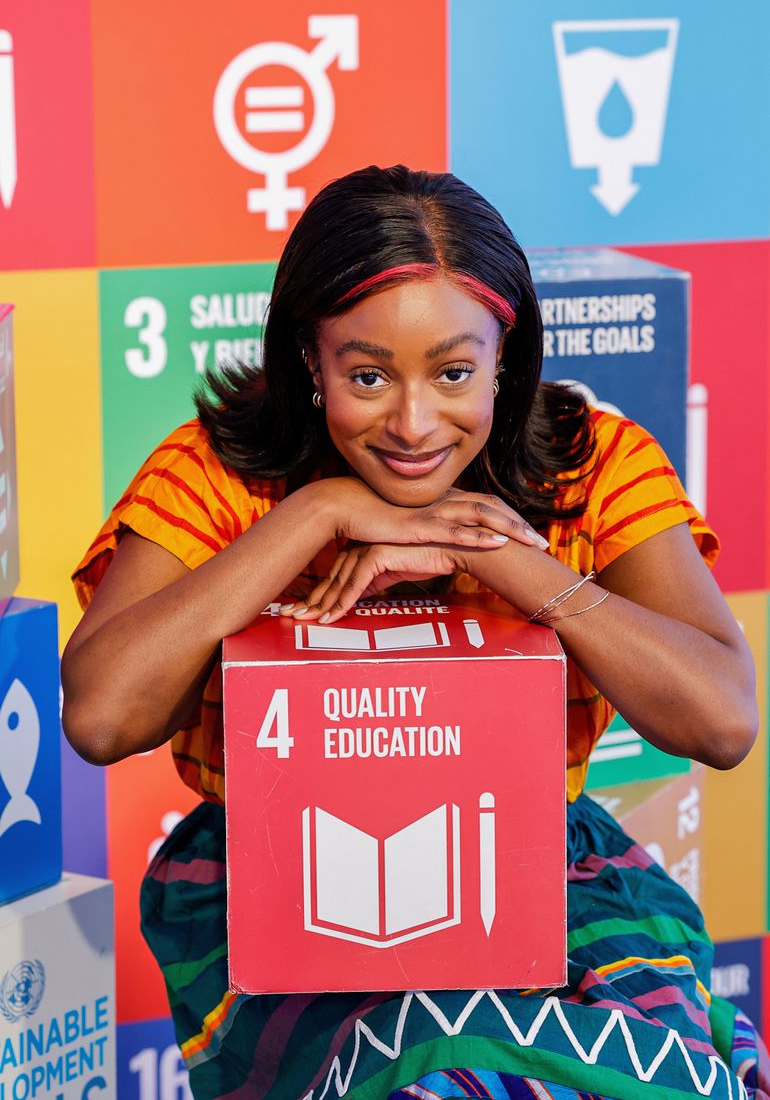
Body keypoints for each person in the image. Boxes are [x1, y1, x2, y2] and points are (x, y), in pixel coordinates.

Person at [62, 165, 767, 1100]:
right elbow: (103, 717)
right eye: (367, 375)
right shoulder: (222, 475)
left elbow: (722, 721)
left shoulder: (592, 463)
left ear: (505, 357)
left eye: (454, 373)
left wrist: (495, 550)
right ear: (308, 360)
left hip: (544, 869)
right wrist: (316, 514)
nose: (413, 423)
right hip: (276, 882)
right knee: (438, 1067)